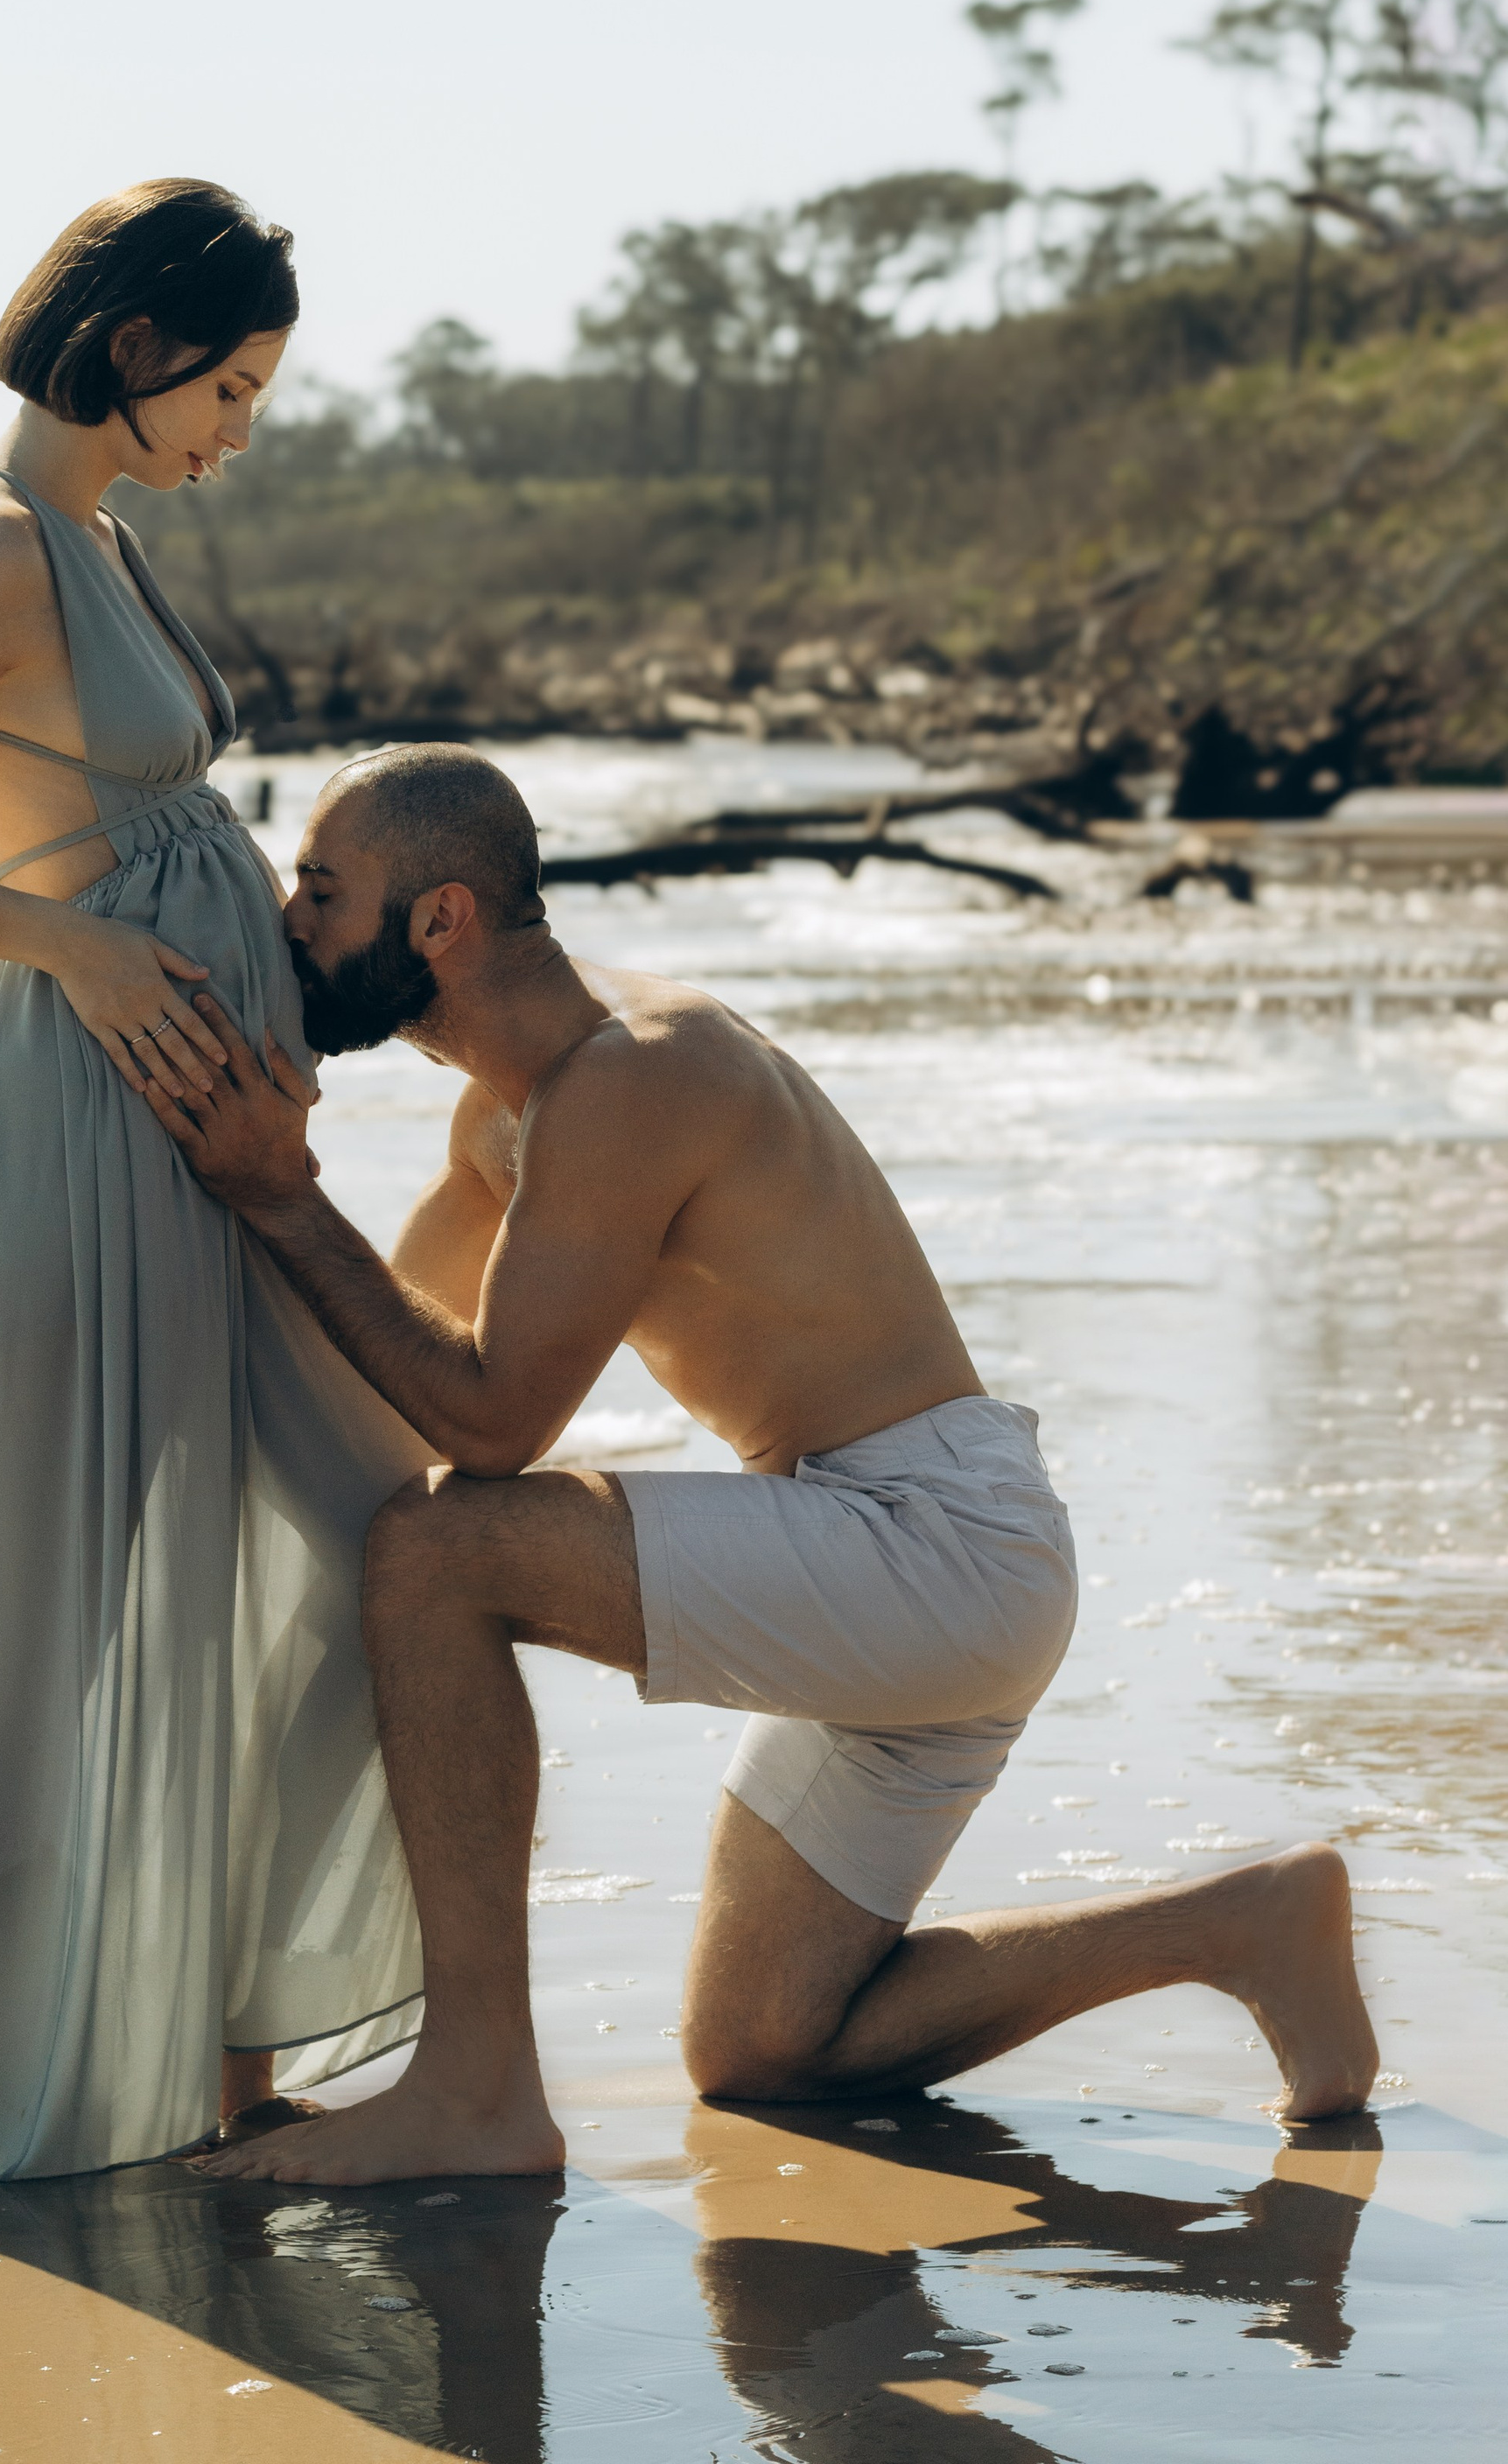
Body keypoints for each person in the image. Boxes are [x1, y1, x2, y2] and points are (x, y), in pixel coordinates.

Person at [137, 746, 1381, 2187]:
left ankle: (478, 2090)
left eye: (320, 887)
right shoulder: (510, 1113)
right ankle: (1242, 1927)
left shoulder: (632, 1079)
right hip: (911, 1560)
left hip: (937, 1547)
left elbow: (484, 1427)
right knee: (761, 2050)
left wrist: (284, 1195)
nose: (292, 919)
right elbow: (381, 1363)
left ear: (441, 921)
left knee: (439, 1551)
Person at [0, 184, 429, 2180]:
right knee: (39, 1618)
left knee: (361, 1534)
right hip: (57, 1127)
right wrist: (63, 941)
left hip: (172, 1137)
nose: (243, 429)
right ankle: (24, 2095)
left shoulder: (101, 538)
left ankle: (201, 2039)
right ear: (130, 350)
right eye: (229, 385)